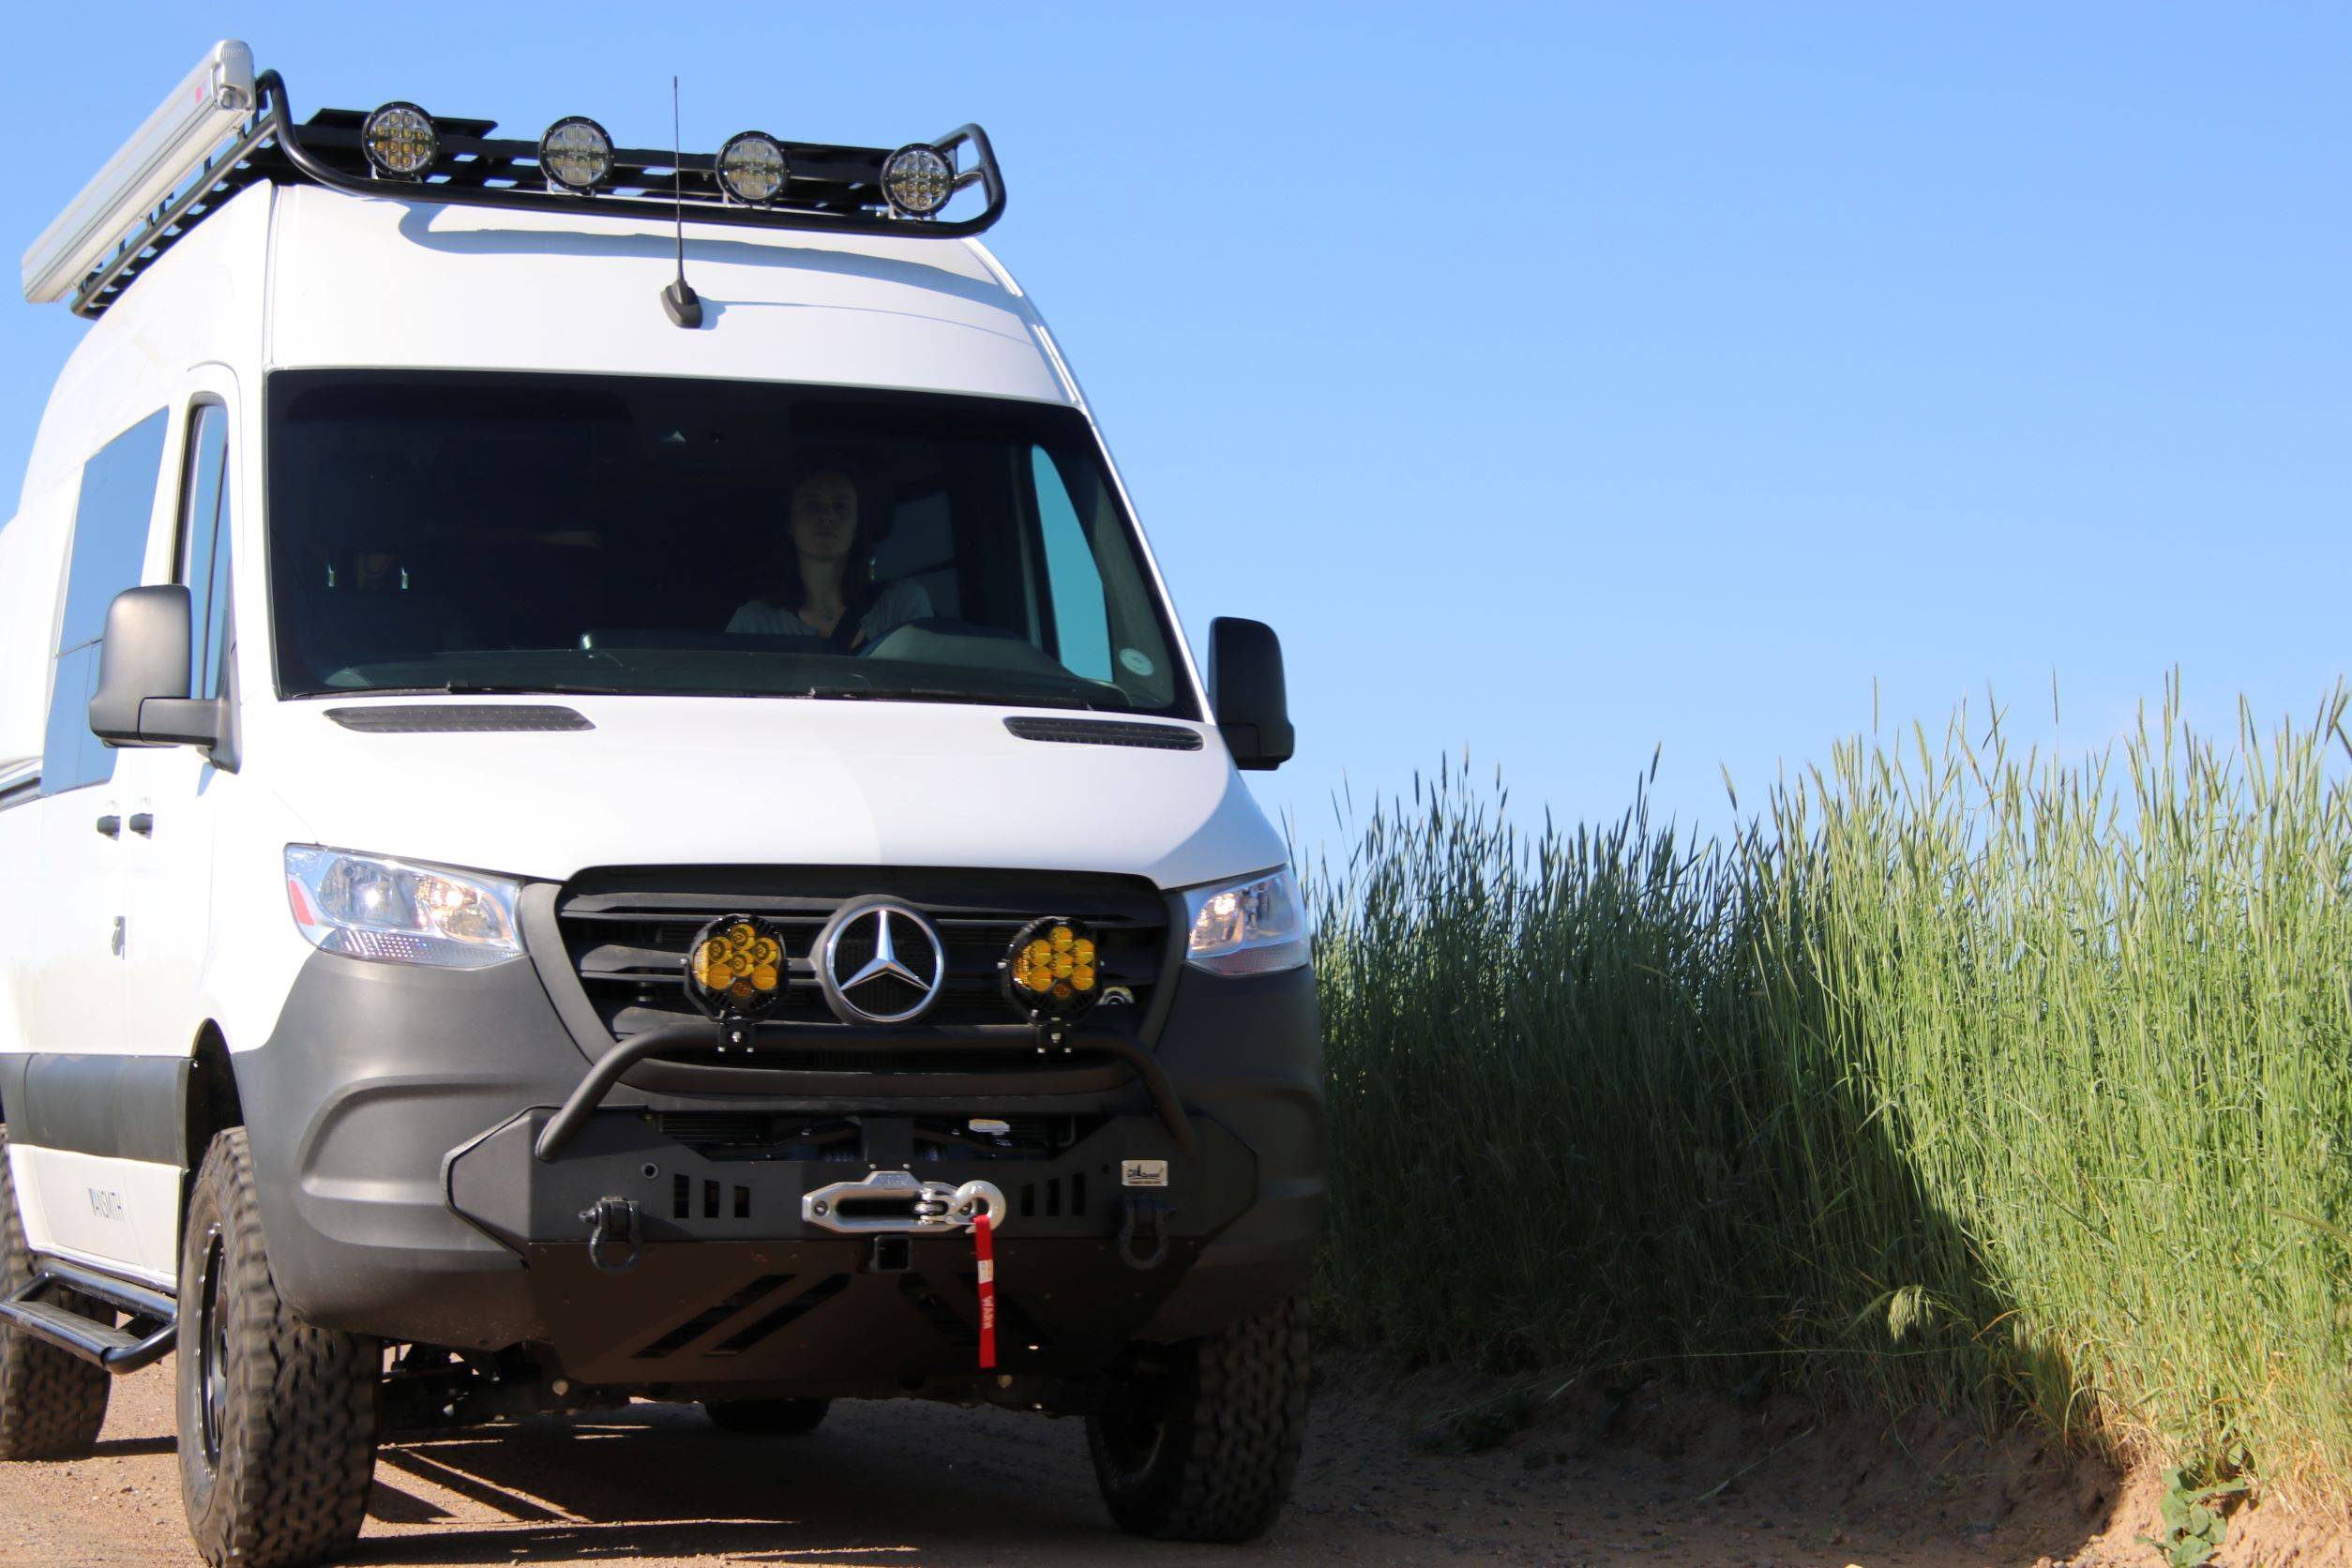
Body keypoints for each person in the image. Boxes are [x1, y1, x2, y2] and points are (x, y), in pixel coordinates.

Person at [727, 460, 930, 647]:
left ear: (857, 525)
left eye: (840, 505)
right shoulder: (754, 623)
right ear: (790, 522)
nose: (827, 515)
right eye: (812, 504)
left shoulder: (899, 605)